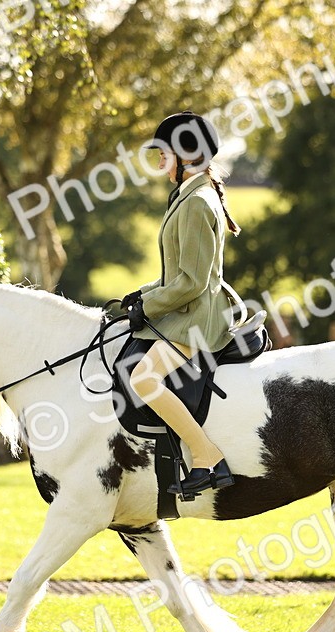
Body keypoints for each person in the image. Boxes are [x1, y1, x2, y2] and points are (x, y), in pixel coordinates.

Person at [124, 111, 246, 498]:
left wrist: (151, 306)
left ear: (188, 156)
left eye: (164, 152)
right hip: (188, 308)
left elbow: (192, 283)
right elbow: (175, 275)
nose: (159, 159)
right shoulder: (189, 194)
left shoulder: (196, 202)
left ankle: (205, 454)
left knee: (142, 379)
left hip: (198, 317)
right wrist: (139, 297)